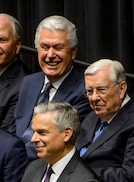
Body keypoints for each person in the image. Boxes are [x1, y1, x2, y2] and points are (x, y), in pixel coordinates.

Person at [12, 15, 91, 160]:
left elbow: (58, 144)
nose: (50, 55)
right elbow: (13, 130)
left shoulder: (85, 90)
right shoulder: (28, 82)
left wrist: (11, 155)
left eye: (58, 47)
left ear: (73, 52)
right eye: (45, 47)